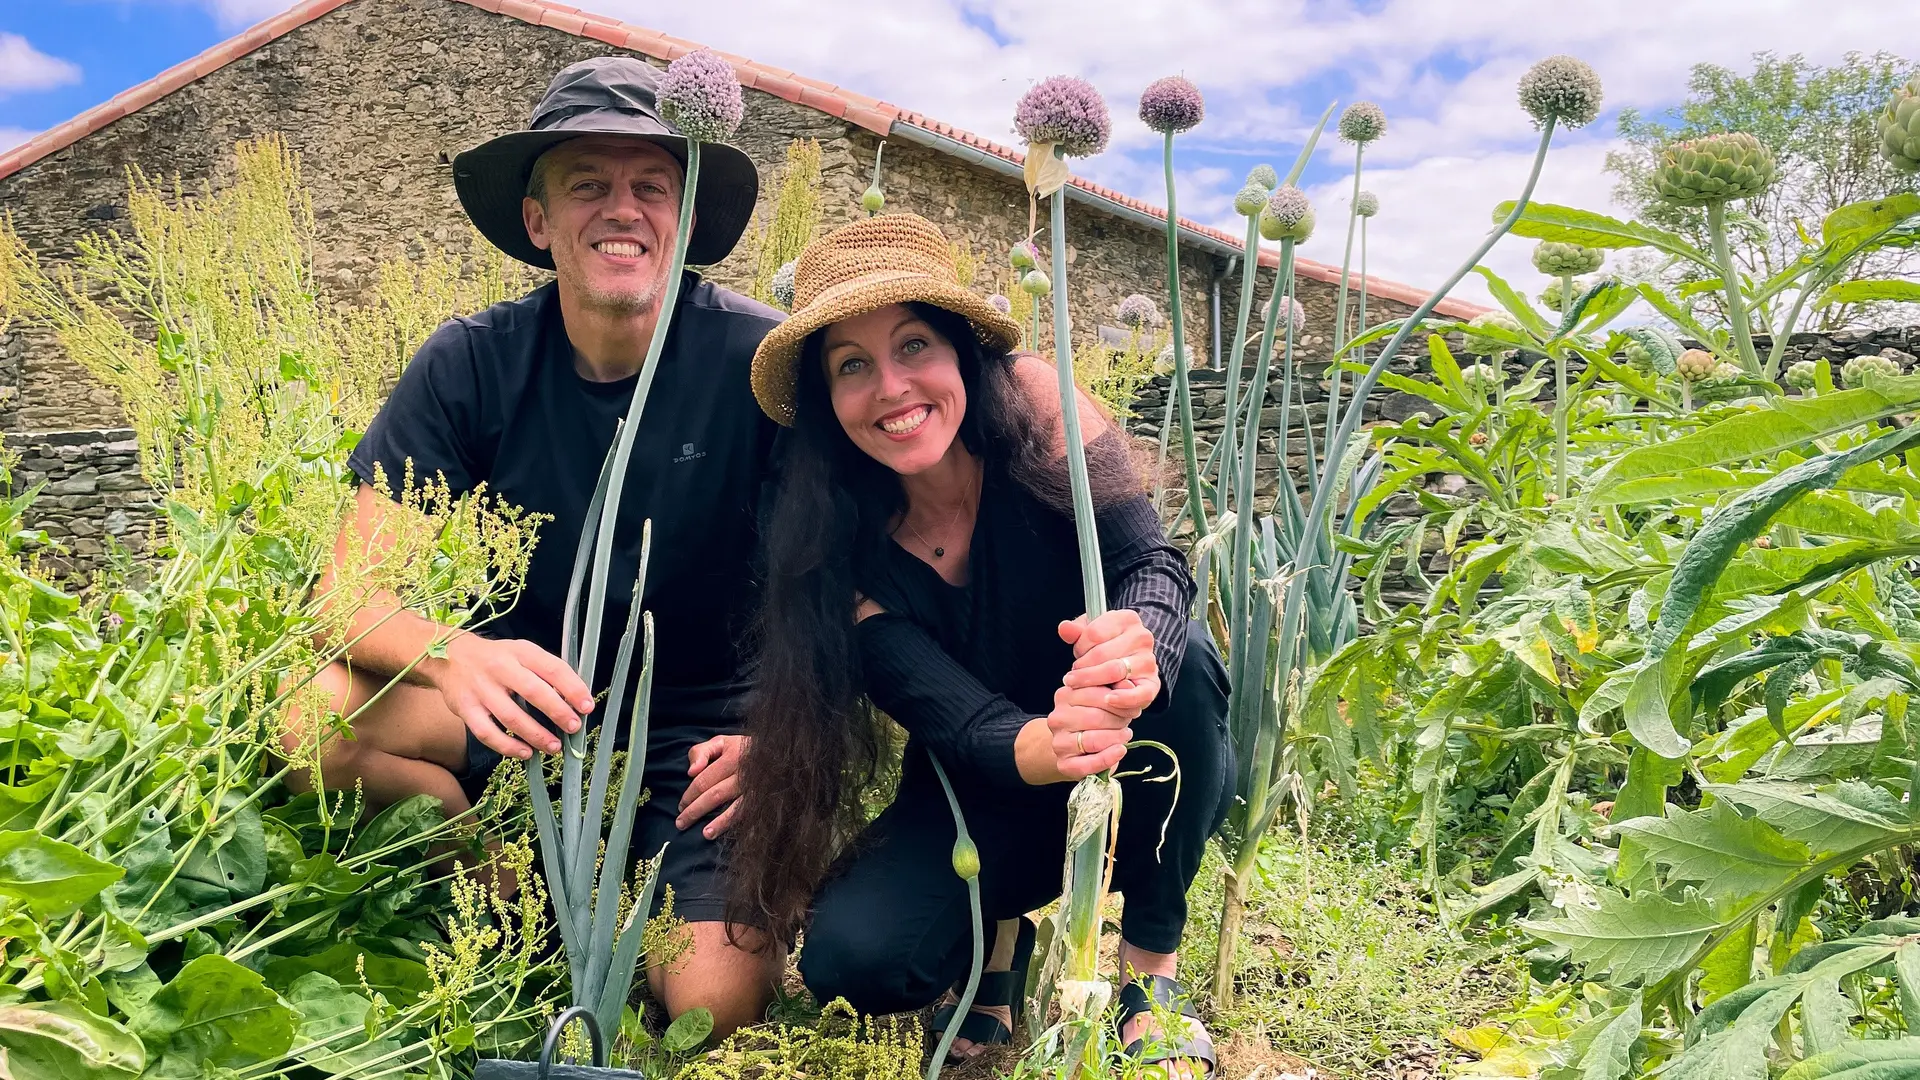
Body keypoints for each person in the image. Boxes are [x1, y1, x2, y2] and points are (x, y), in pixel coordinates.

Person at [280, 56, 782, 1037]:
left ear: (683, 221)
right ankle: (502, 878)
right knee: (314, 715)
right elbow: (343, 601)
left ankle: (672, 880)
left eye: (650, 186)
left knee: (710, 1011)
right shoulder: (472, 361)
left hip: (705, 737)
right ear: (538, 220)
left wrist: (786, 743)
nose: (621, 210)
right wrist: (455, 654)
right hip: (529, 715)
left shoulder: (762, 364)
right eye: (587, 184)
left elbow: (851, 587)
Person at [732, 214, 1228, 1076]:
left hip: (1129, 725)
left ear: (961, 349)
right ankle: (1000, 953)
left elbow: (1154, 564)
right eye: (852, 365)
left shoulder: (1040, 404)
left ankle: (1151, 973)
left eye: (913, 344)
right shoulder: (831, 533)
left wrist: (1132, 643)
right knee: (853, 959)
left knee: (1169, 675)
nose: (890, 386)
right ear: (827, 398)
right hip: (979, 769)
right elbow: (939, 707)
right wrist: (1033, 746)